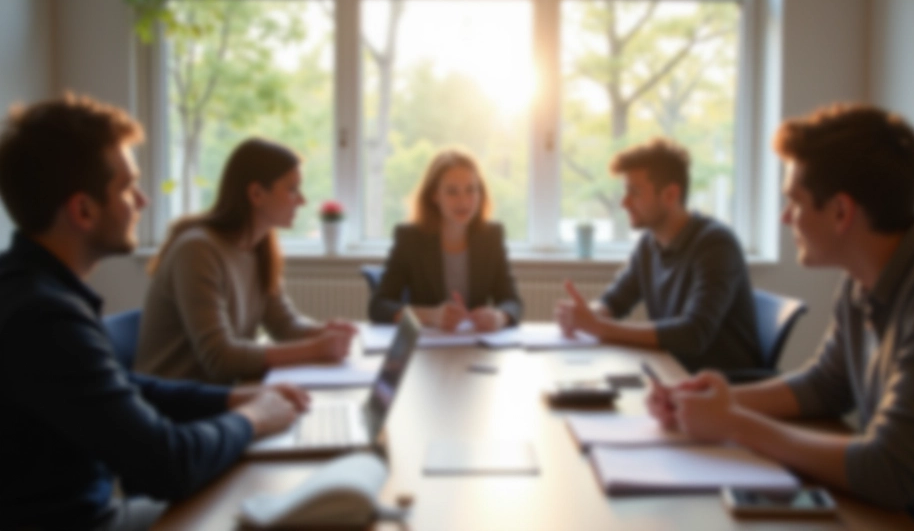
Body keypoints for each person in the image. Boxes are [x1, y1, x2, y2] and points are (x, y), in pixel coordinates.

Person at [647, 104, 914, 530]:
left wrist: (735, 425)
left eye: (794, 201)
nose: (784, 217)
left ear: (842, 212)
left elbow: (890, 471)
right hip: (899, 511)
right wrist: (706, 401)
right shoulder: (862, 277)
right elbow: (825, 384)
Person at [0, 94, 307, 530]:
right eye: (127, 187)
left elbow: (123, 385)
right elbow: (167, 465)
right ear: (83, 210)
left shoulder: (35, 292)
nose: (142, 200)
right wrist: (252, 418)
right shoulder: (43, 317)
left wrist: (233, 398)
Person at [135, 138, 356, 384]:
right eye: (292, 189)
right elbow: (220, 359)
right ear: (256, 194)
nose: (302, 200)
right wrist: (316, 349)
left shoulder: (259, 247)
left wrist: (325, 332)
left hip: (220, 397)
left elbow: (284, 324)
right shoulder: (197, 250)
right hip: (176, 408)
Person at [555, 137, 759, 372]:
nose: (624, 202)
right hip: (672, 373)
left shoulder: (716, 244)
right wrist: (586, 314)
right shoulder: (649, 244)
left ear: (671, 195)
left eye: (634, 192)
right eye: (625, 191)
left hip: (722, 387)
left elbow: (694, 334)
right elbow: (615, 301)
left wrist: (599, 327)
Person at [369, 149, 522, 331]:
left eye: (471, 190)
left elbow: (512, 302)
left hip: (474, 344)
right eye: (452, 192)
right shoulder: (409, 238)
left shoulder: (491, 236)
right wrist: (430, 315)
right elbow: (378, 306)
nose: (463, 201)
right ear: (435, 195)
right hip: (427, 349)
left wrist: (499, 316)